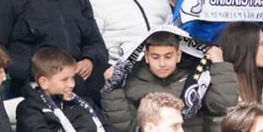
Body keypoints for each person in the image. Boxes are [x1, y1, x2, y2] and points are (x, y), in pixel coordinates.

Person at [102, 31, 238, 132]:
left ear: (178, 55)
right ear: (147, 57)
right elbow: (123, 126)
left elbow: (221, 108)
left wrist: (220, 65)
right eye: (155, 57)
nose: (162, 63)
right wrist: (112, 89)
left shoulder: (196, 77)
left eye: (168, 56)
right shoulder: (131, 81)